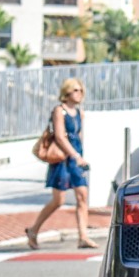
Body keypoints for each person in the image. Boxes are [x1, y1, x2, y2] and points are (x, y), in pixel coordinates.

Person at [25, 79, 98, 250]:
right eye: (76, 90)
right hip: (62, 159)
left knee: (82, 196)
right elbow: (59, 136)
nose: (79, 93)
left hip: (76, 157)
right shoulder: (59, 111)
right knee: (59, 200)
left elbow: (78, 136)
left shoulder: (79, 112)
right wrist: (74, 155)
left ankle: (83, 237)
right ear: (67, 93)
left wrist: (80, 155)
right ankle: (34, 230)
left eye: (81, 90)